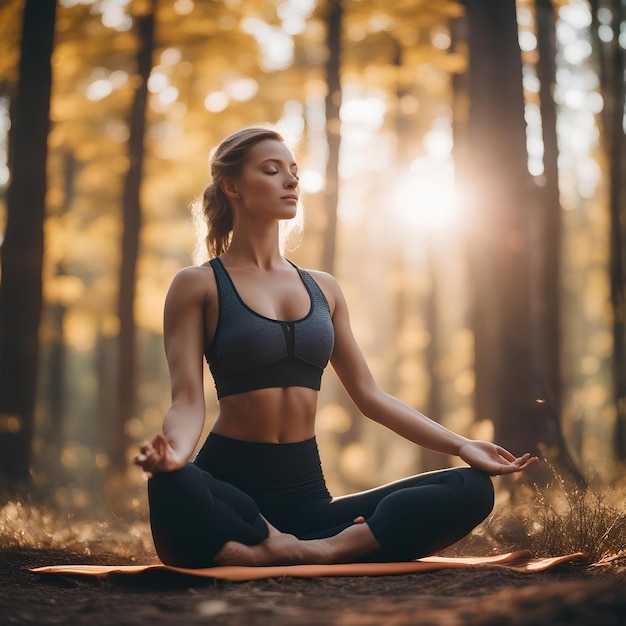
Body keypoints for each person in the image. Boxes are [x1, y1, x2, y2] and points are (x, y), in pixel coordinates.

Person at [134, 127, 538, 569]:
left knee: (472, 487)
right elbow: (189, 401)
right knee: (174, 482)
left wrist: (461, 445)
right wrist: (173, 455)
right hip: (230, 495)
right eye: (271, 171)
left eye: (294, 172)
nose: (290, 181)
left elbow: (371, 397)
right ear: (232, 186)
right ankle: (274, 540)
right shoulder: (198, 284)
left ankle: (313, 548)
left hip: (309, 503)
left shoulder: (324, 289)